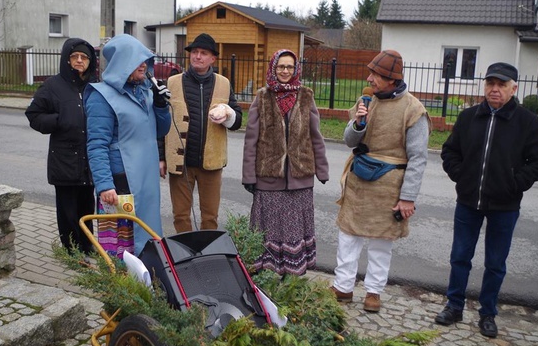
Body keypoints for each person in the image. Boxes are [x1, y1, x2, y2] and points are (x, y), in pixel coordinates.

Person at [435, 62, 538, 338]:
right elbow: (450, 151)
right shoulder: (468, 118)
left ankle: (488, 313)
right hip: (468, 201)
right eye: (490, 83)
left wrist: (515, 183)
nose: (495, 89)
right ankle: (454, 306)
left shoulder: (527, 122)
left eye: (501, 85)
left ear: (514, 88)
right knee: (460, 257)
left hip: (505, 206)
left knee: (496, 263)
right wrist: (461, 176)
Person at [331, 50, 431, 312]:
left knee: (381, 242)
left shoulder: (413, 109)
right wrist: (359, 123)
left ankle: (373, 293)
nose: (370, 78)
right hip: (358, 181)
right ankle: (343, 286)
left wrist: (408, 197)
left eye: (375, 74)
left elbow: (418, 158)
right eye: (370, 73)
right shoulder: (366, 100)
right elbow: (349, 141)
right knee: (348, 235)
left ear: (391, 79)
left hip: (389, 185)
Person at [241, 49, 330, 276]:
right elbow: (250, 141)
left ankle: (291, 278)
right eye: (281, 66)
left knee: (293, 233)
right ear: (273, 67)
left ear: (296, 69)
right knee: (268, 232)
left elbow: (315, 136)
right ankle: (267, 277)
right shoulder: (262, 97)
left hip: (300, 179)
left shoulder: (306, 96)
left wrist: (321, 169)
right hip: (269, 178)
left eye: (290, 67)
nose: (285, 71)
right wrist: (249, 176)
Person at [84, 34, 172, 256]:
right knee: (120, 242)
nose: (144, 64)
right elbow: (96, 145)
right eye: (137, 60)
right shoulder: (101, 96)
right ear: (123, 63)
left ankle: (146, 282)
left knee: (147, 231)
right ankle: (120, 286)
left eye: (145, 59)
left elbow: (160, 131)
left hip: (145, 177)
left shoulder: (145, 92)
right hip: (119, 181)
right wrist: (104, 185)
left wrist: (161, 106)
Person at [160, 33, 242, 233]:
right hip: (181, 163)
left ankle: (207, 256)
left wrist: (228, 114)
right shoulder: (172, 82)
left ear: (212, 58)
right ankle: (186, 256)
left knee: (210, 217)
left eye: (203, 53)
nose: (198, 56)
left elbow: (237, 121)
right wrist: (161, 158)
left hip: (211, 164)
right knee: (180, 215)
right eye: (194, 52)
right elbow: (161, 123)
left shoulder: (224, 83)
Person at [26, 38, 98, 257]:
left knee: (87, 206)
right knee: (67, 211)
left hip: (89, 159)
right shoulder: (52, 86)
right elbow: (34, 115)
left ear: (90, 62)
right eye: (74, 56)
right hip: (64, 160)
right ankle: (72, 251)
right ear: (67, 60)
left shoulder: (94, 86)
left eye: (84, 57)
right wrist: (59, 120)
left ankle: (88, 246)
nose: (79, 61)